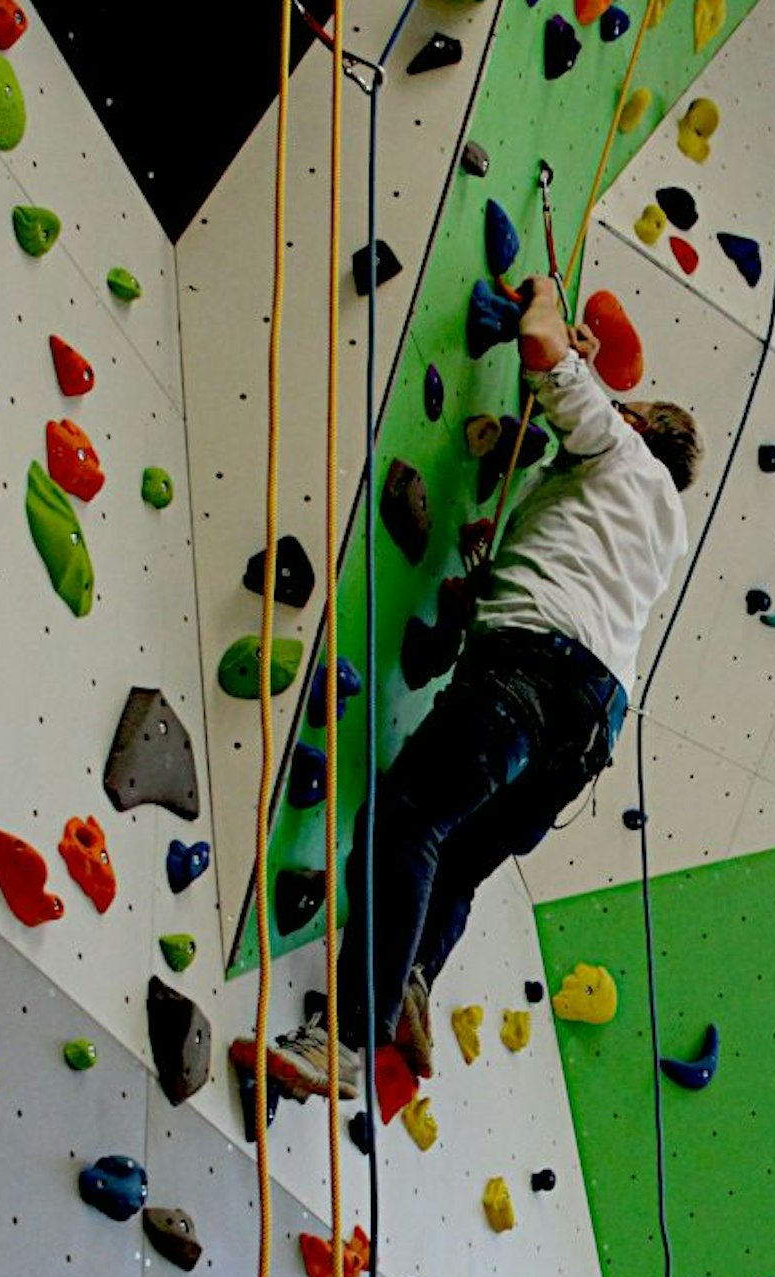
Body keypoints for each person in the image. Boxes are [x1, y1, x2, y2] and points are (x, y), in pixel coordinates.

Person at [237, 272, 699, 1100]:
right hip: (588, 732)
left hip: (533, 674)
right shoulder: (658, 528)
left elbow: (541, 347)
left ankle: (349, 1039)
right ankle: (415, 971)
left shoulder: (619, 451)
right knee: (457, 861)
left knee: (407, 819)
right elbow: (572, 563)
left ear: (633, 423)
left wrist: (549, 300)